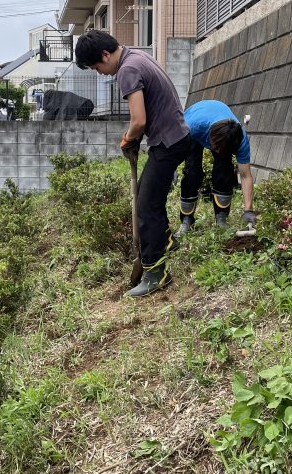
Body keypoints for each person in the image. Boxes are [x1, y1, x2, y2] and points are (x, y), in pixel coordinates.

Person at [75, 30, 191, 297]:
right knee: (152, 197)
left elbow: (138, 120)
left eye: (97, 66)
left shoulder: (127, 69)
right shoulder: (138, 56)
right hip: (176, 137)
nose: (100, 73)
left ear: (105, 55)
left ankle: (154, 272)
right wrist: (134, 139)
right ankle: (165, 241)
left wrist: (128, 138)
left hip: (168, 142)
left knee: (145, 206)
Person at [176, 99, 256, 235]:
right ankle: (186, 220)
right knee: (192, 172)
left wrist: (248, 210)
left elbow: (245, 175)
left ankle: (221, 219)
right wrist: (171, 166)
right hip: (196, 129)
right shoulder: (191, 125)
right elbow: (173, 143)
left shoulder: (240, 139)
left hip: (220, 131)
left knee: (224, 170)